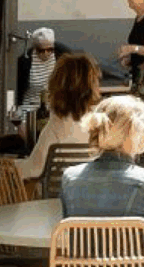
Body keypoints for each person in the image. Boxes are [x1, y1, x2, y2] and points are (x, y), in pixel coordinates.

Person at [60, 95, 144, 233]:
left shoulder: (70, 179)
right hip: (134, 254)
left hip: (87, 254)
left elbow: (71, 237)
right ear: (133, 131)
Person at [17, 52, 102, 184]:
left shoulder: (56, 127)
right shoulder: (101, 123)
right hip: (93, 195)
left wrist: (11, 166)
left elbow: (34, 169)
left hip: (60, 198)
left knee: (10, 171)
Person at [14, 27, 68, 113]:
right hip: (29, 108)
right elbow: (18, 91)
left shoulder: (62, 54)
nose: (46, 53)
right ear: (35, 48)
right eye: (41, 50)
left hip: (54, 108)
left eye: (50, 49)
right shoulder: (25, 61)